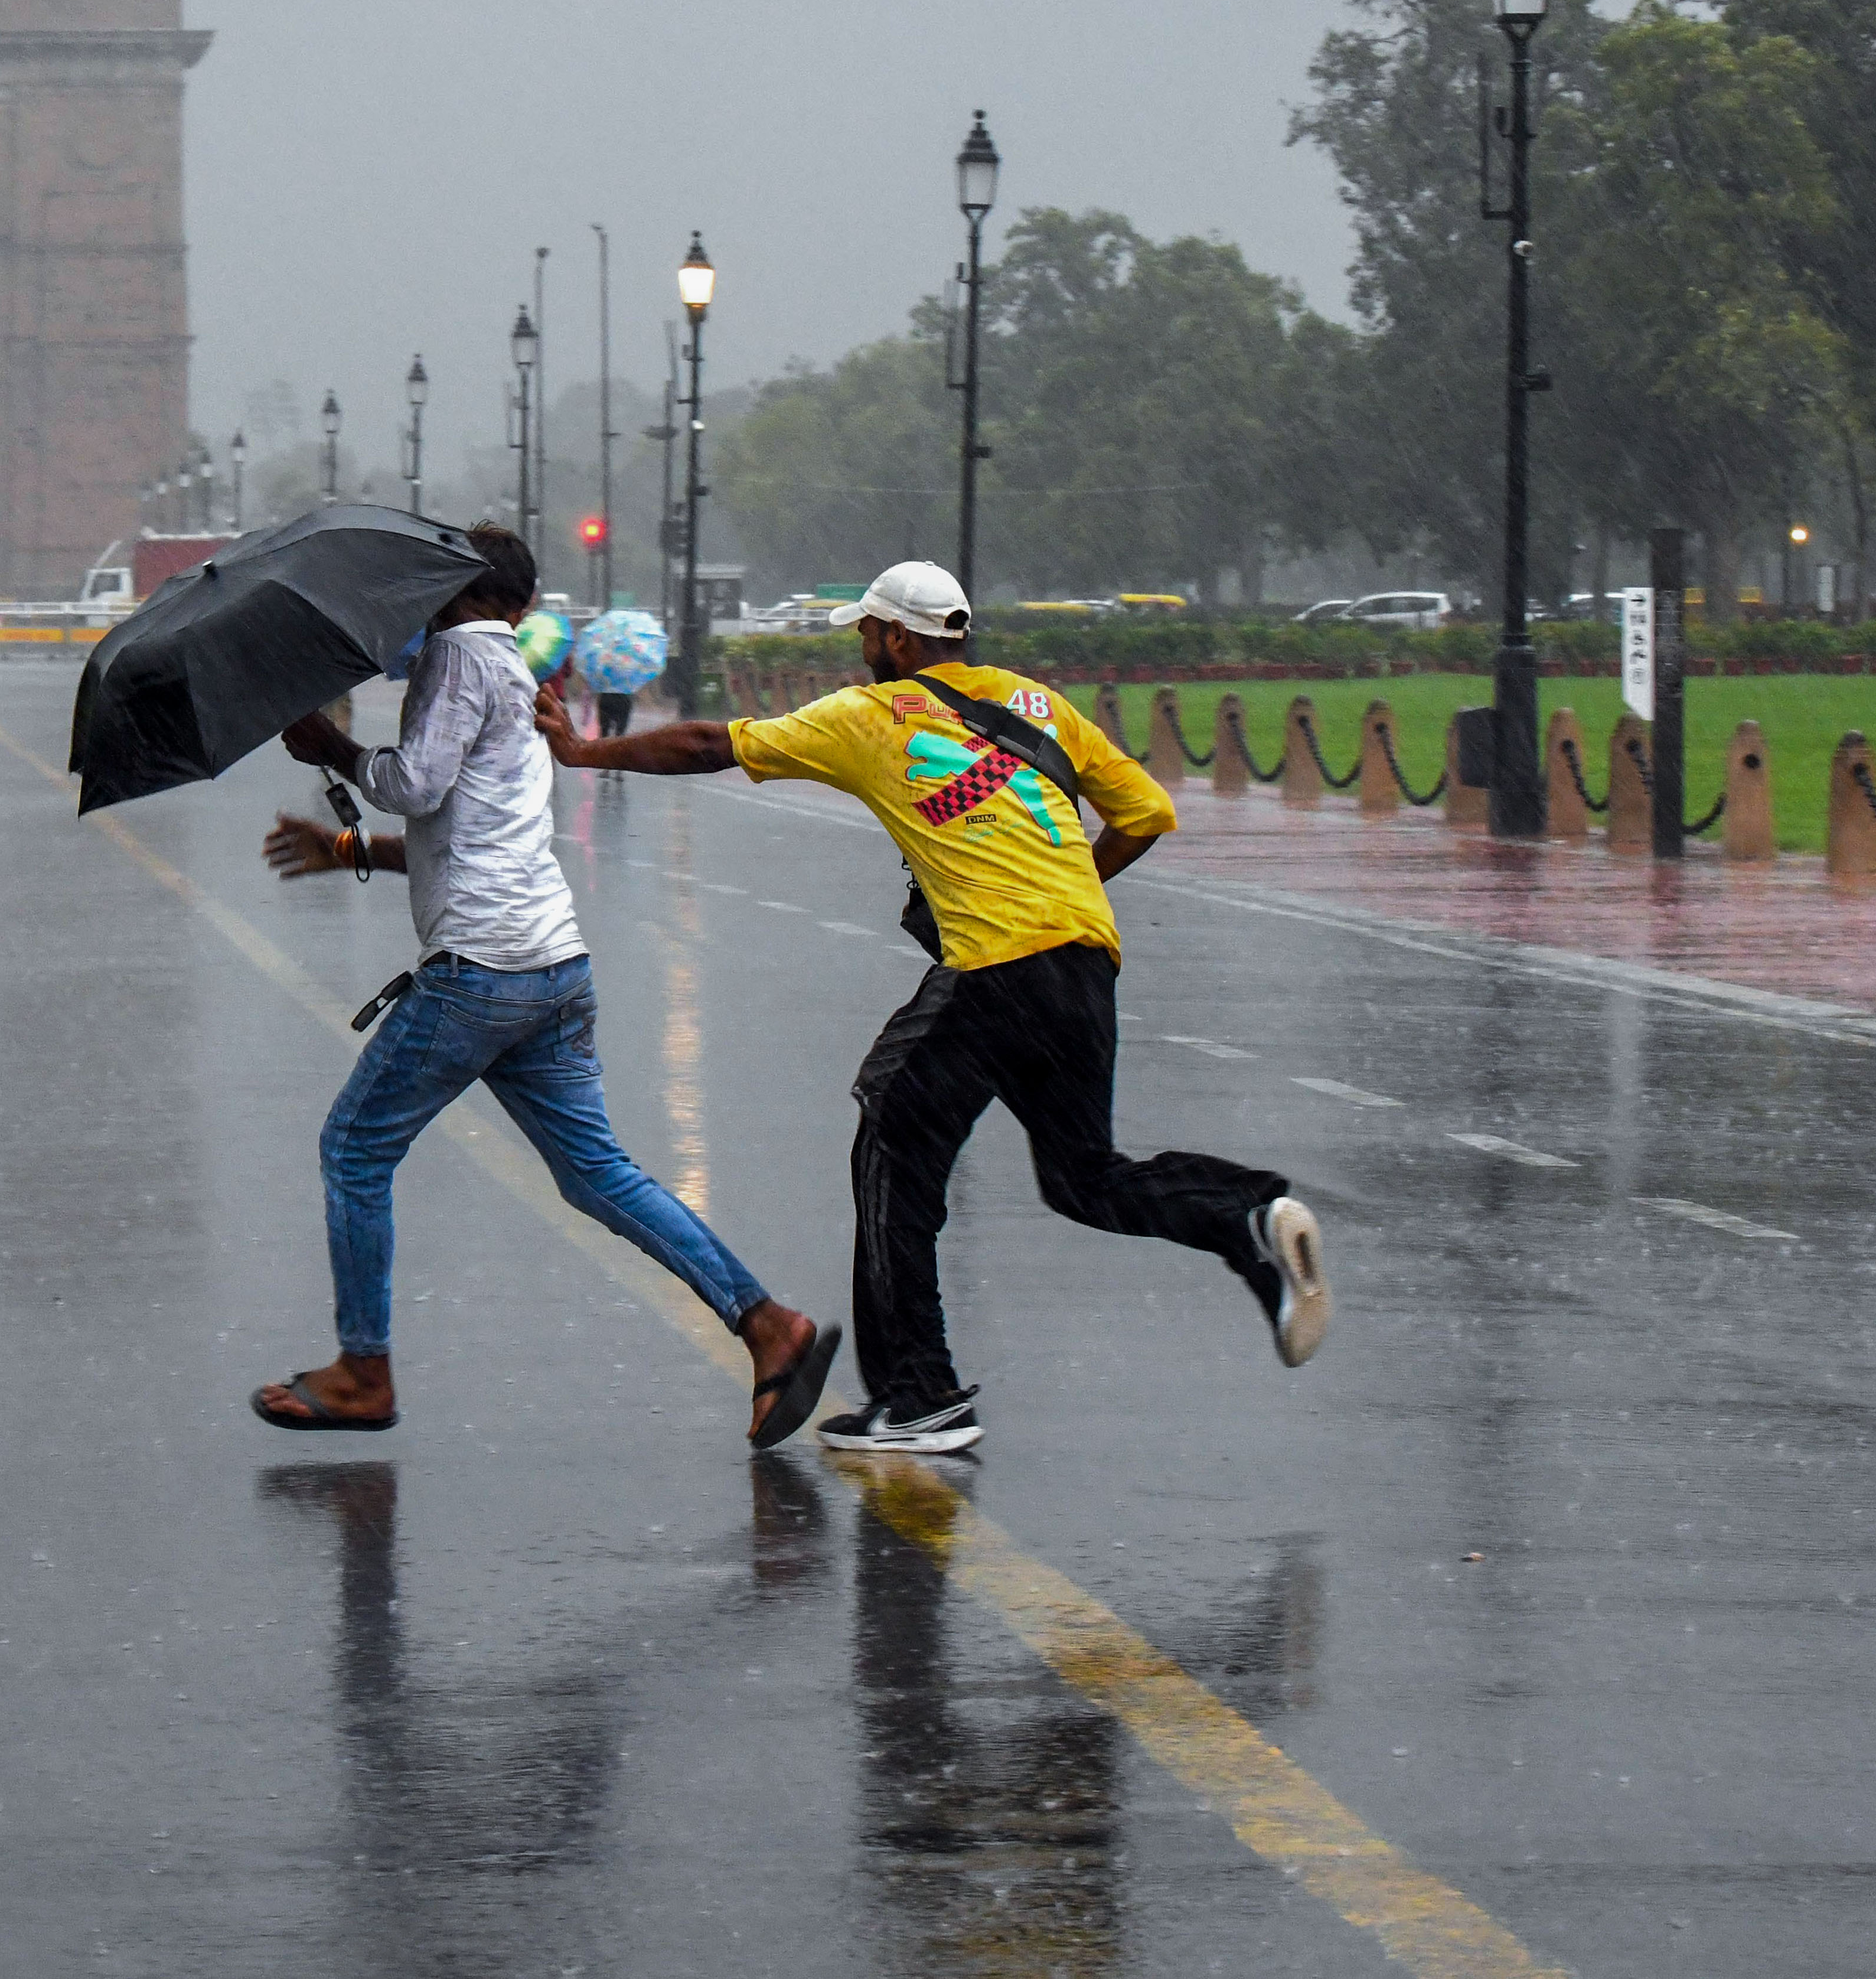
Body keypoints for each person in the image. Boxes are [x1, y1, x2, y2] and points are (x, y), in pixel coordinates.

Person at [533, 559, 1329, 1456]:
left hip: (996, 968)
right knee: (1084, 1179)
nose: (863, 648)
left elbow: (710, 744)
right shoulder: (1037, 705)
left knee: (892, 1135)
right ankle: (1248, 1216)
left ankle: (918, 1392)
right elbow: (1143, 811)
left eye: (867, 633)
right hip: (1085, 962)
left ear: (899, 640)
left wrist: (585, 751)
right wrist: (1068, 890)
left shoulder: (872, 715)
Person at [253, 523, 842, 1447]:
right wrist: (346, 846)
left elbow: (413, 783)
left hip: (481, 973)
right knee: (596, 1172)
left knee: (353, 1149)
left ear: (447, 589)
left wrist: (333, 746)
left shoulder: (455, 657)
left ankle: (365, 1370)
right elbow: (469, 833)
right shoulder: (520, 673)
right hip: (553, 968)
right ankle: (769, 1324)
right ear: (522, 605)